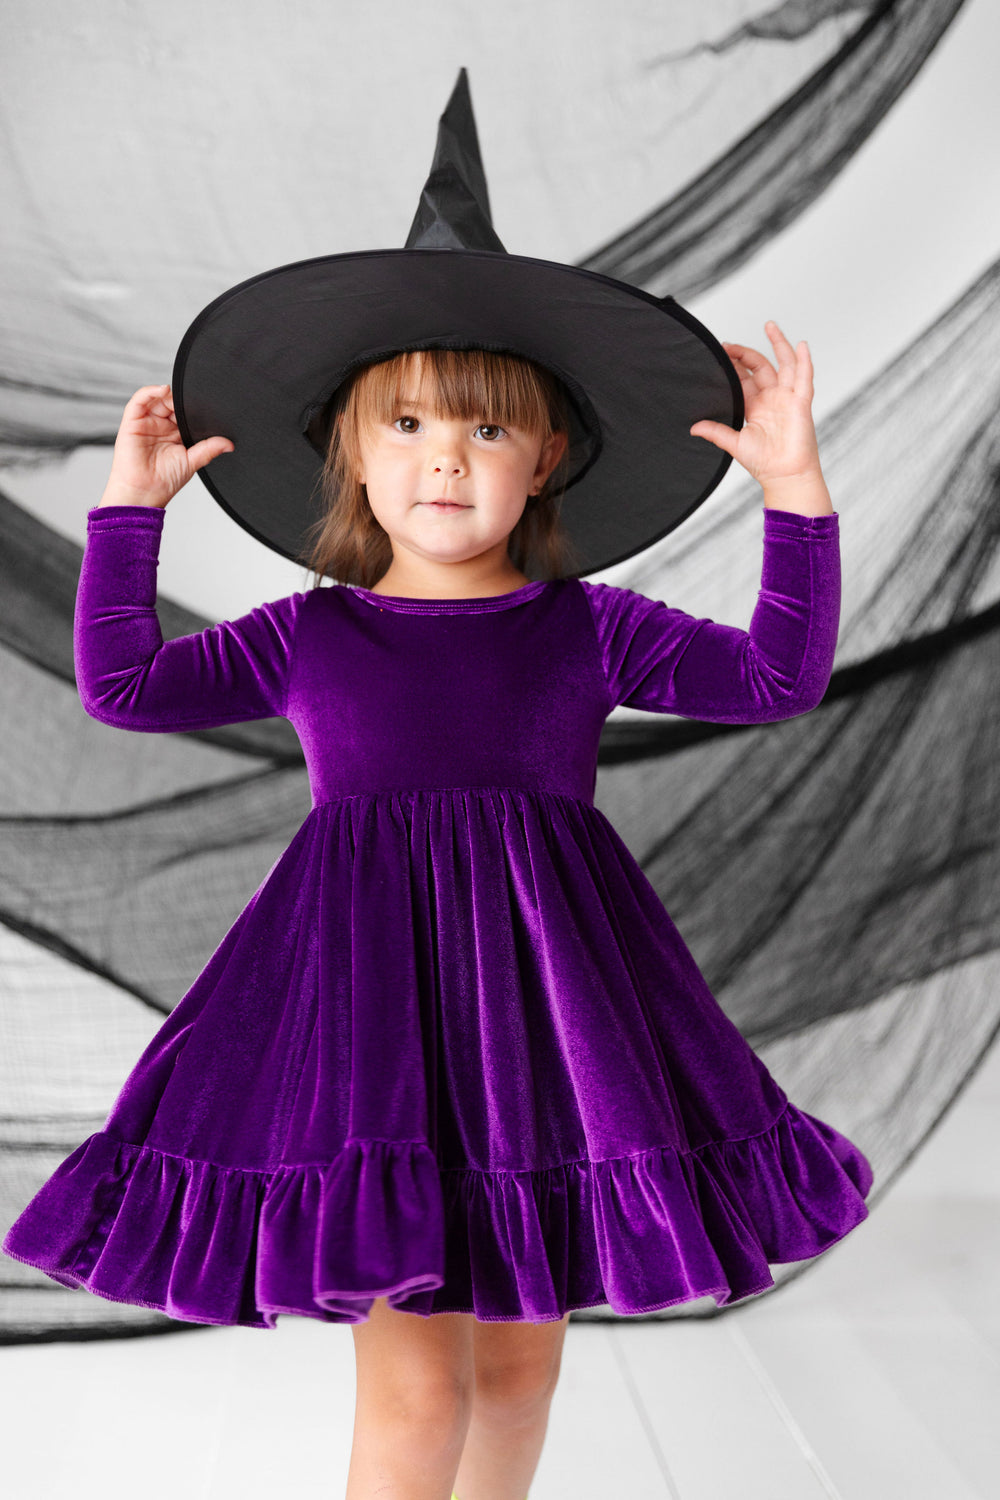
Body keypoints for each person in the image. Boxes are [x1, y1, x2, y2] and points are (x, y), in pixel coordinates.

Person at [4, 322, 871, 1500]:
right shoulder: (313, 633)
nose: (446, 460)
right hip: (377, 1041)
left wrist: (794, 489)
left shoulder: (588, 627)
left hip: (551, 1036)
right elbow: (123, 684)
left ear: (547, 457)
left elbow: (779, 676)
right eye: (406, 426)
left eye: (486, 427)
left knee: (516, 1384)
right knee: (421, 1396)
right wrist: (130, 510)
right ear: (352, 457)